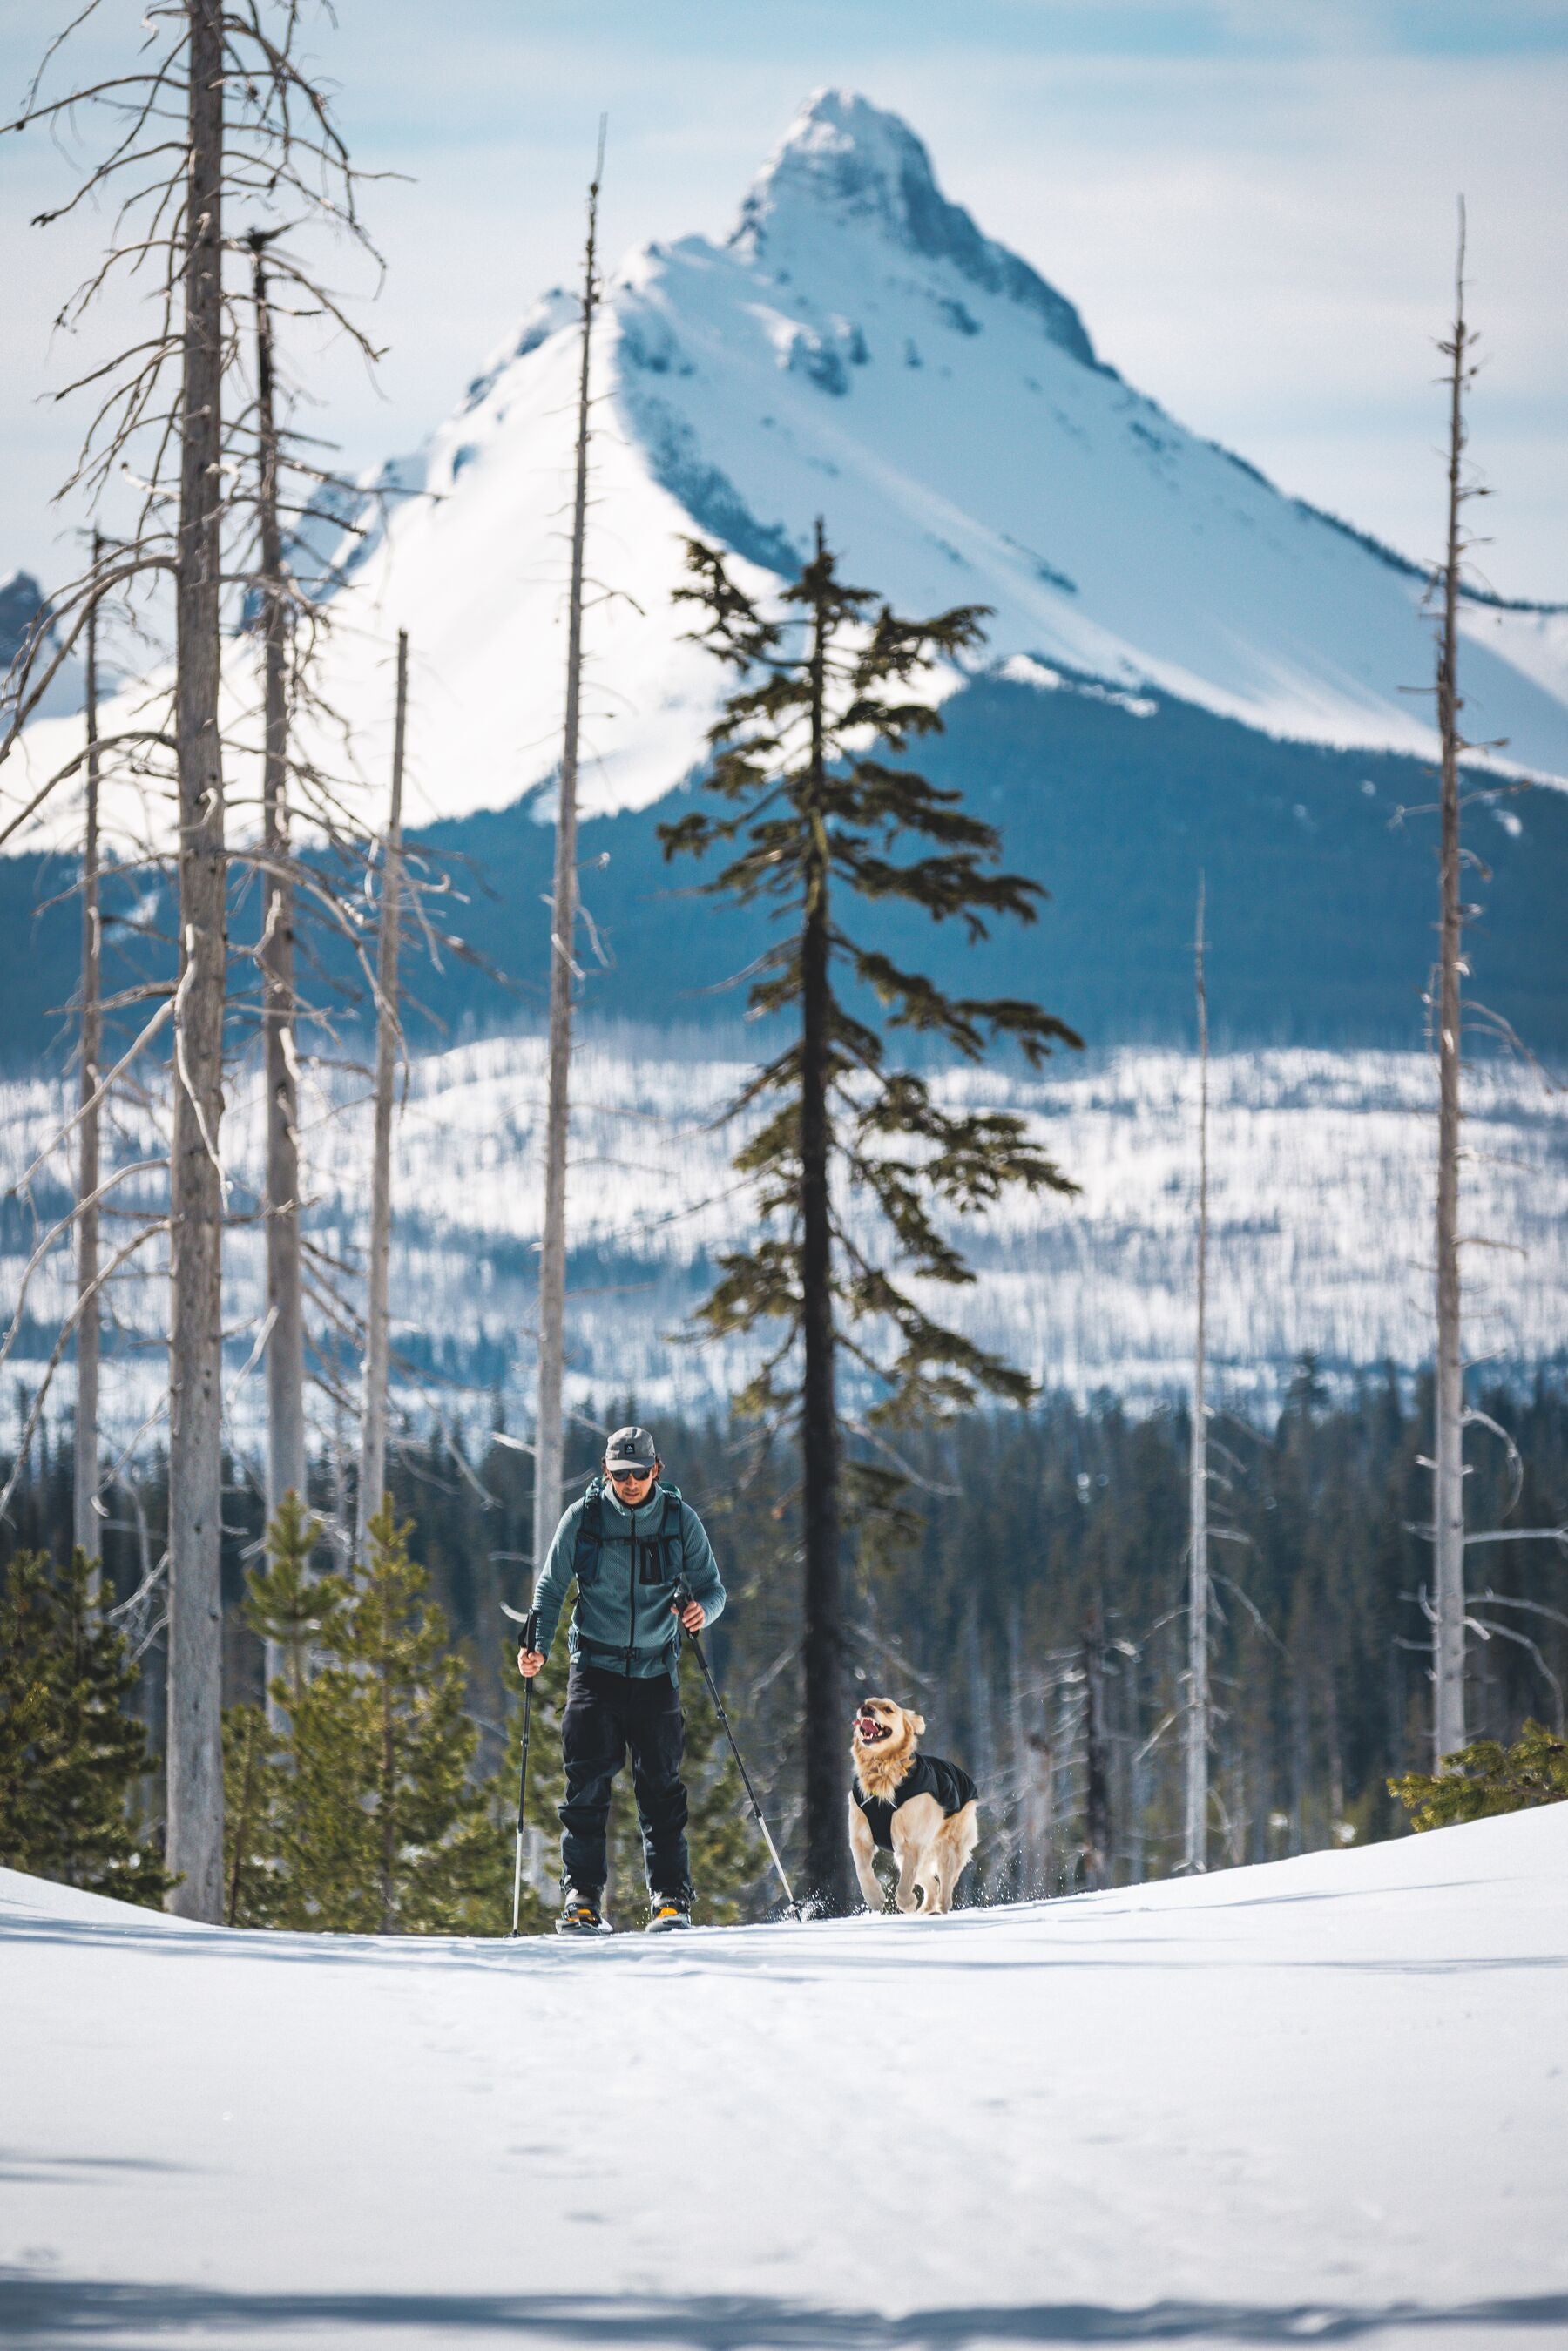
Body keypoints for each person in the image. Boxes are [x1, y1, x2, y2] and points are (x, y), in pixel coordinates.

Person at [517, 1424, 726, 1934]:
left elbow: (714, 1590)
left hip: (657, 1672)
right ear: (605, 1471)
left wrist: (703, 1613)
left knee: (661, 1790)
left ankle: (671, 1900)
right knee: (585, 1786)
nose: (630, 1483)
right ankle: (583, 1899)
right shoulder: (584, 1519)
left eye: (638, 1473)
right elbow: (550, 1587)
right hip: (594, 1670)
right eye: (619, 1474)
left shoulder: (680, 1520)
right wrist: (537, 1647)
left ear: (656, 1469)